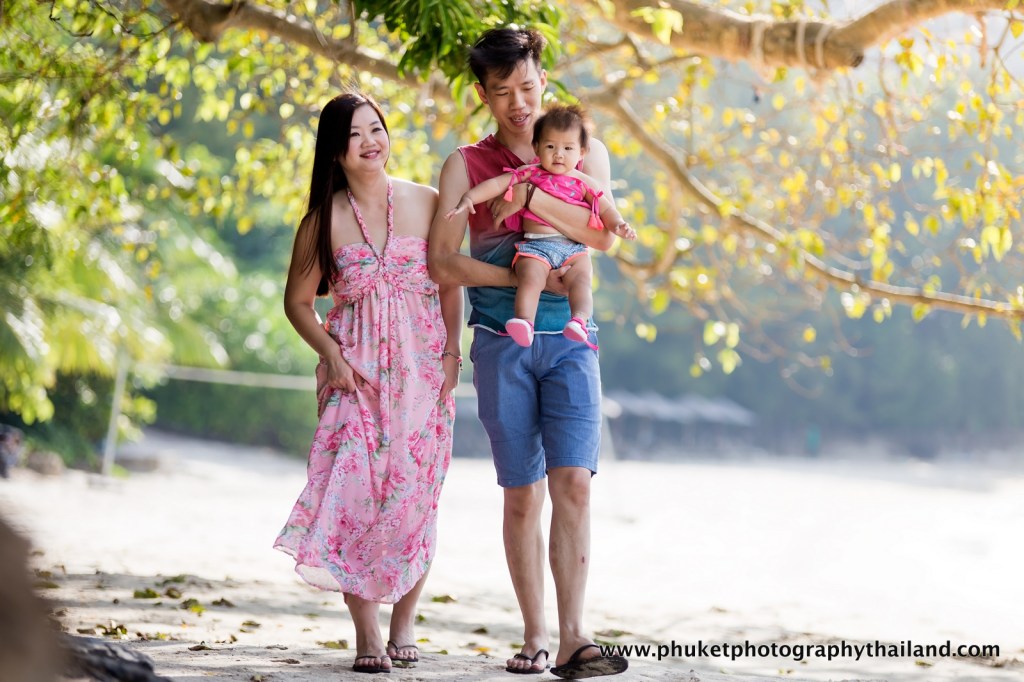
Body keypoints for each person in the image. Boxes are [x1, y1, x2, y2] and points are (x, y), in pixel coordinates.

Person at [428, 28, 629, 679]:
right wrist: (519, 278)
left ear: (544, 80)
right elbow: (441, 262)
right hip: (500, 342)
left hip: (571, 343)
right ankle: (536, 633)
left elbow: (603, 239)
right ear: (483, 94)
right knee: (522, 493)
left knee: (575, 484)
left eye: (526, 87)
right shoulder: (466, 166)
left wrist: (538, 198)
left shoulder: (585, 149)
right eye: (502, 91)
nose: (518, 103)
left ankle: (574, 636)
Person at [274, 92, 462, 674]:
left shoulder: (428, 201)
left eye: (376, 128)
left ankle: (405, 620)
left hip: (423, 376)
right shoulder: (322, 221)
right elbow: (298, 302)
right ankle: (366, 631)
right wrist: (330, 354)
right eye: (355, 134)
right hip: (355, 381)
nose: (370, 141)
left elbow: (451, 282)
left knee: (414, 499)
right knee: (354, 499)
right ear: (336, 150)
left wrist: (453, 352)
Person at [444, 104, 636, 348]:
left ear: (582, 152)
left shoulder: (583, 182)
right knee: (530, 278)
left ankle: (579, 320)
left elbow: (606, 209)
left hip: (573, 250)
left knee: (581, 280)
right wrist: (469, 198)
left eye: (568, 148)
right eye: (550, 147)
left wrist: (619, 225)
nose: (558, 155)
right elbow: (497, 184)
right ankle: (524, 321)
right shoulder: (531, 173)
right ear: (537, 147)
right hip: (536, 247)